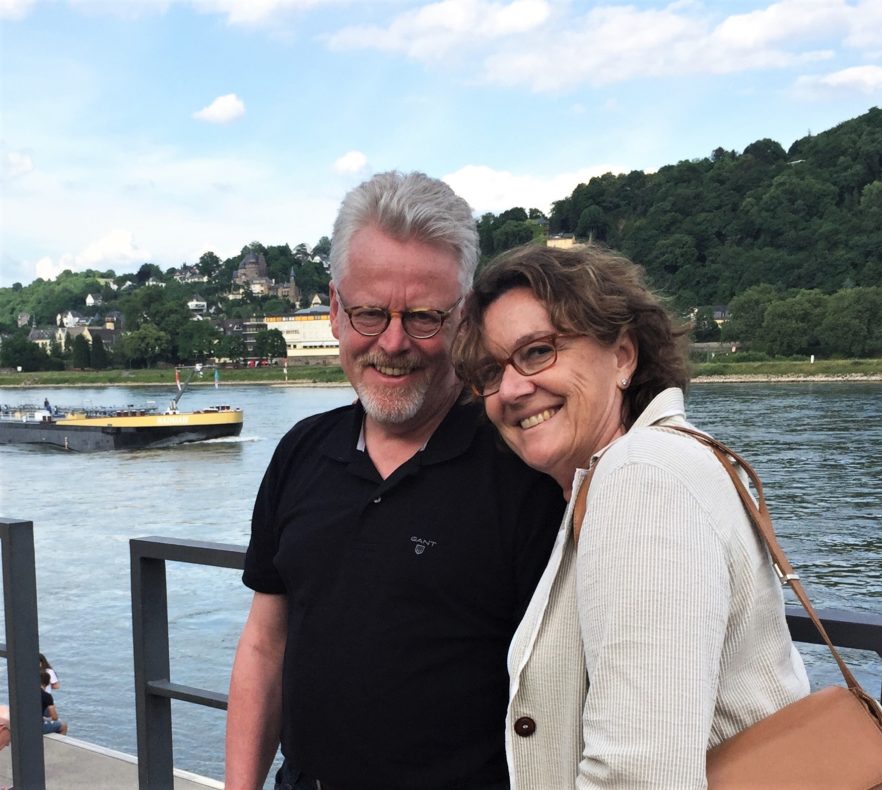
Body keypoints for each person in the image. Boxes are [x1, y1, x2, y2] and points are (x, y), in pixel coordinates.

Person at [225, 171, 564, 790]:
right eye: (370, 313)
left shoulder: (525, 467)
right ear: (333, 309)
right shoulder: (302, 452)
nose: (394, 342)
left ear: (465, 319)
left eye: (425, 318)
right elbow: (263, 648)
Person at [452, 244, 811, 787]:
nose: (511, 389)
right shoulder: (661, 461)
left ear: (622, 355)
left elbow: (639, 774)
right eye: (489, 372)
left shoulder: (641, 477)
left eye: (538, 352)